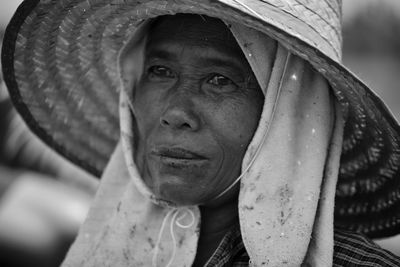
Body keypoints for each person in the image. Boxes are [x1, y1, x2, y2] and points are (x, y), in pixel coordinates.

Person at [2, 0, 400, 266]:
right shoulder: (106, 241)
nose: (175, 113)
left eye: (219, 79)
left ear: (284, 114)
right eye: (159, 71)